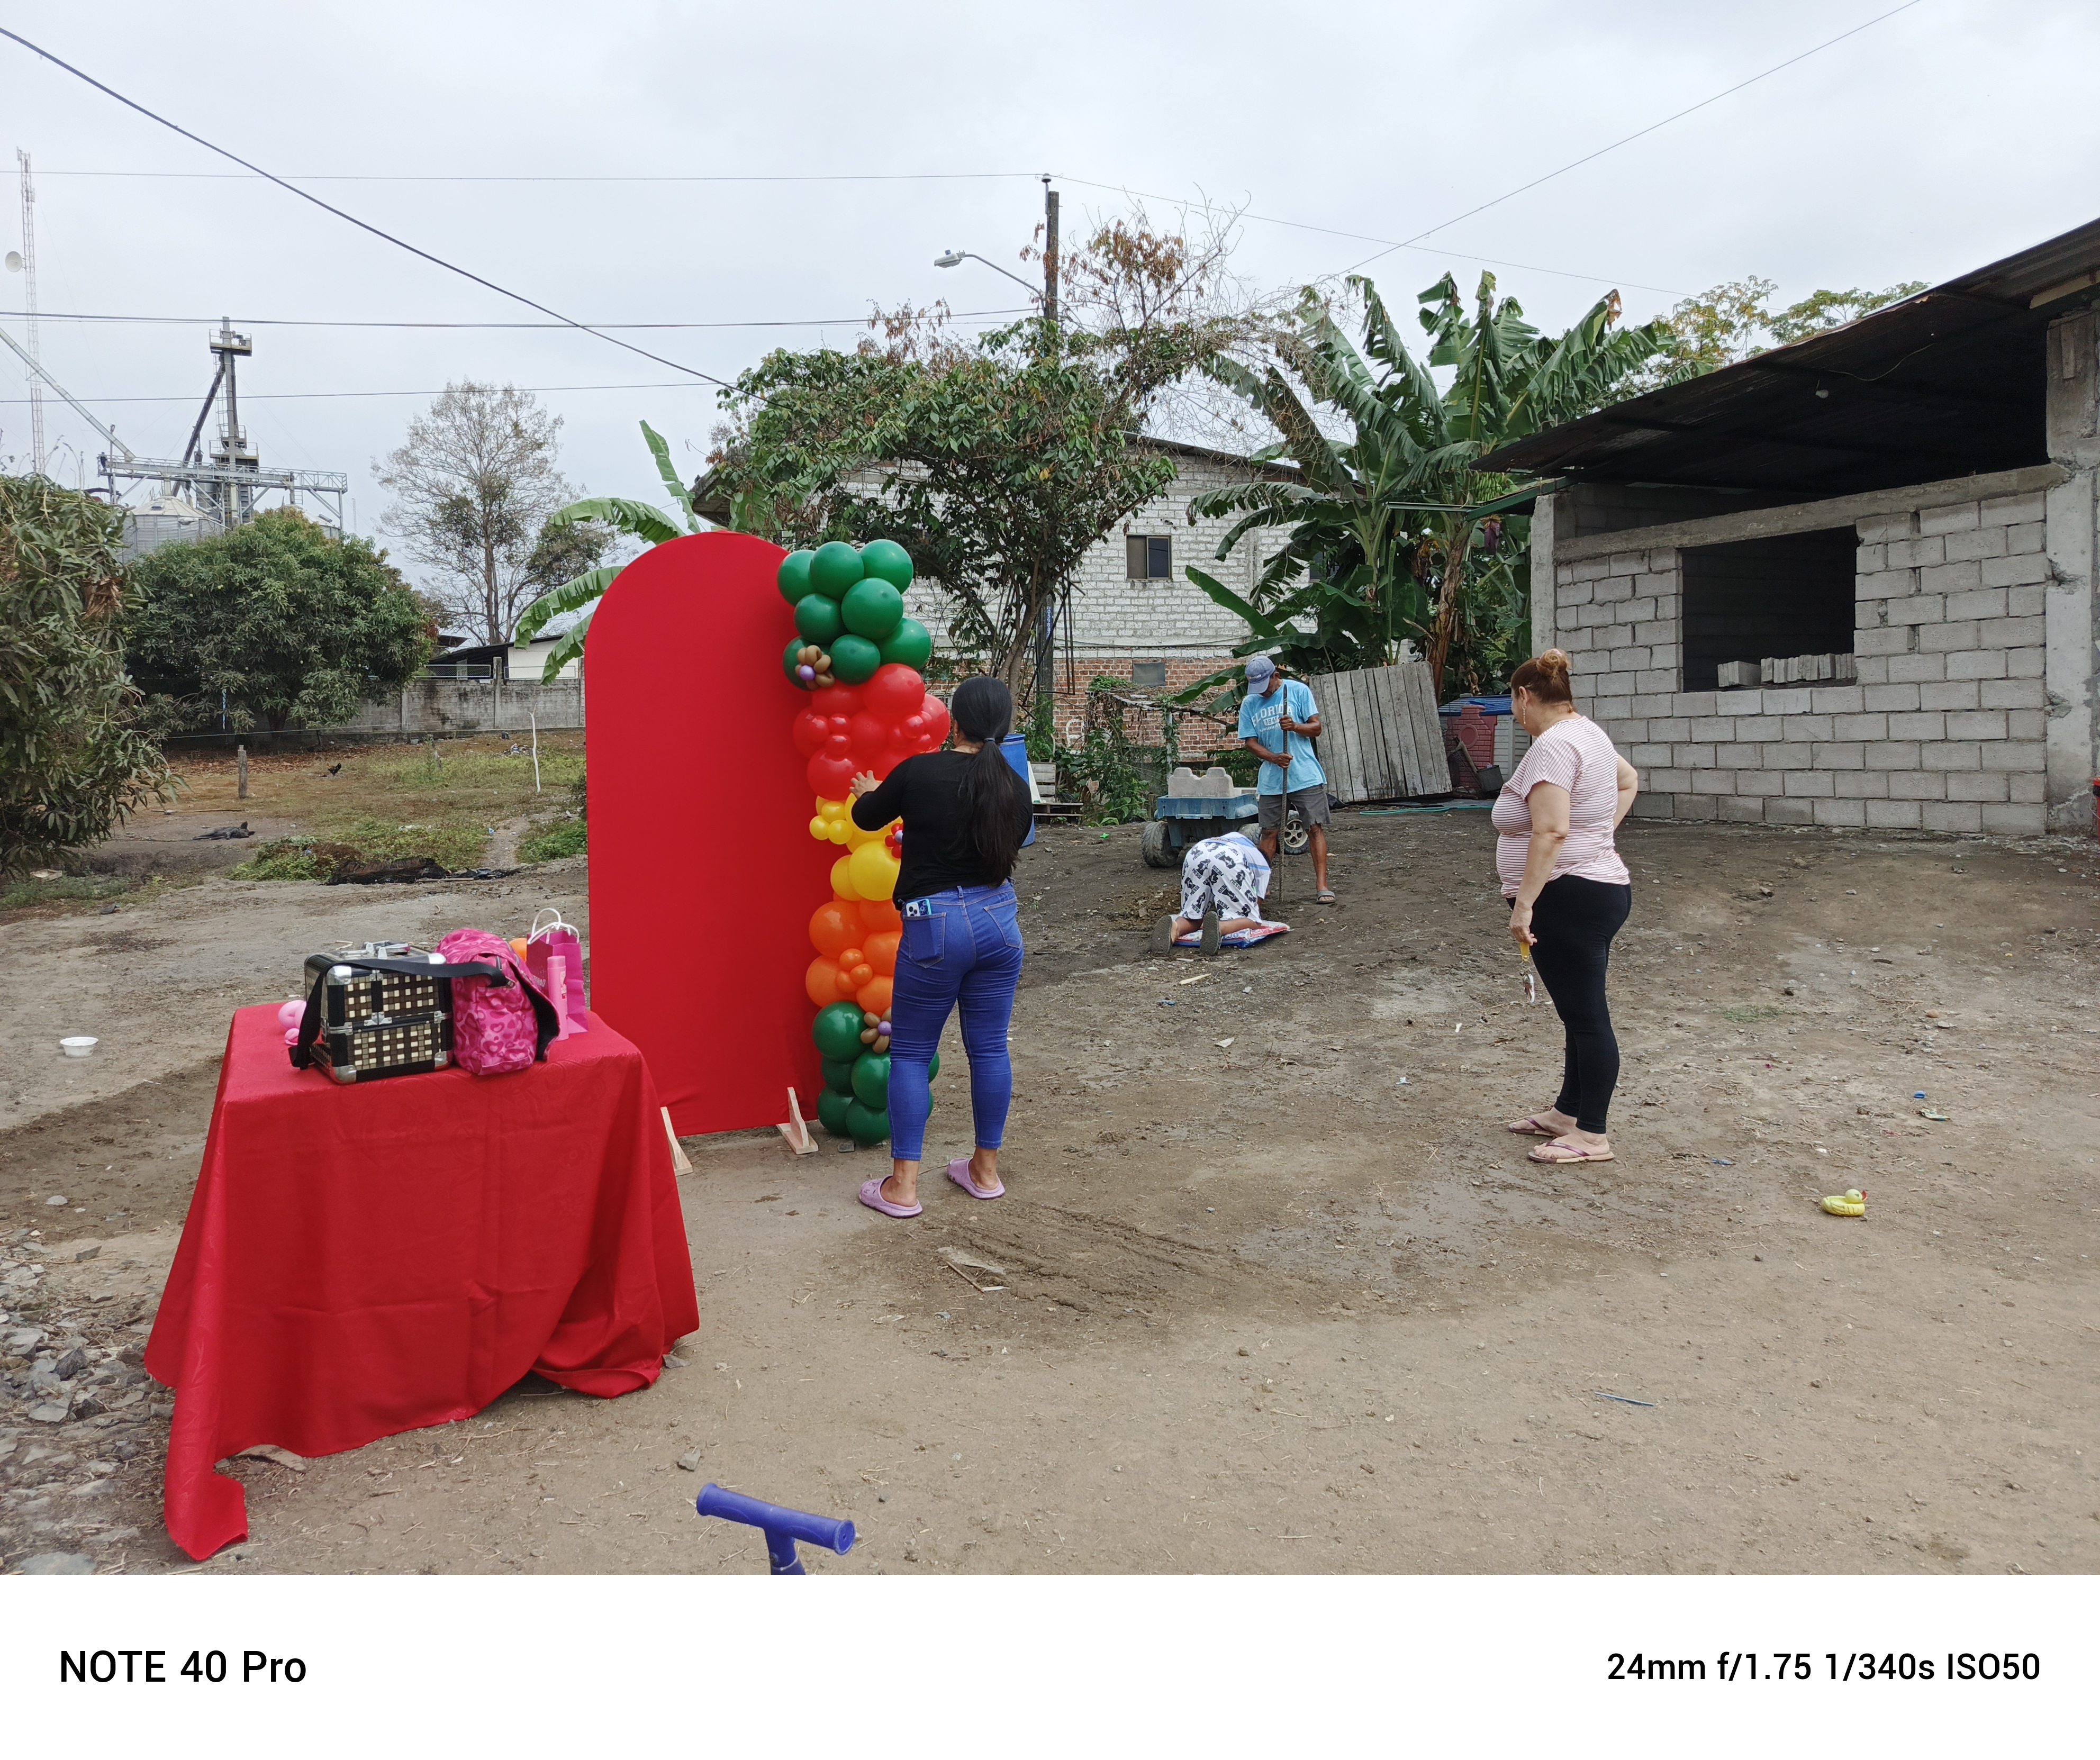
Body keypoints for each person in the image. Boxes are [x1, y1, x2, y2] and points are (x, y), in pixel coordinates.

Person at [846, 675, 1033, 1219]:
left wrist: (867, 791)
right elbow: (1014, 837)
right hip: (999, 921)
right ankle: (984, 1172)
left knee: (909, 1051)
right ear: (1003, 726)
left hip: (935, 926)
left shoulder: (919, 771)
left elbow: (866, 816)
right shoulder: (1013, 785)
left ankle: (902, 1187)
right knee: (990, 1048)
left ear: (955, 723)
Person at [1493, 649, 1640, 1165]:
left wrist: (1524, 905)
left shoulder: (1553, 745)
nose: (1516, 714)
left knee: (1587, 1018)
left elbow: (1552, 830)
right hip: (1590, 889)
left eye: (1513, 704)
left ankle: (1592, 1135)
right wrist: (1597, 838)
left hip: (1567, 896)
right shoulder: (1588, 733)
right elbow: (1628, 779)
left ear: (1524, 697)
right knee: (1577, 1014)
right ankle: (1567, 1113)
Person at [1237, 655, 1334, 903]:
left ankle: (1322, 886)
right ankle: (1262, 887)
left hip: (1304, 776)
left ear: (1276, 676)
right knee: (1269, 832)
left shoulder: (1298, 691)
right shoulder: (1250, 703)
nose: (1263, 692)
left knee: (1314, 828)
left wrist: (1295, 727)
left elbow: (1317, 728)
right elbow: (1250, 743)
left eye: (1266, 685)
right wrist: (1273, 758)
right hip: (1272, 779)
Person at [1154, 829, 1273, 955]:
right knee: (1253, 921)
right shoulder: (1263, 865)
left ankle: (1175, 929)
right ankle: (1219, 928)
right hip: (1229, 857)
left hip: (1197, 852)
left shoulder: (1237, 840)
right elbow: (1256, 904)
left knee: (1193, 916)